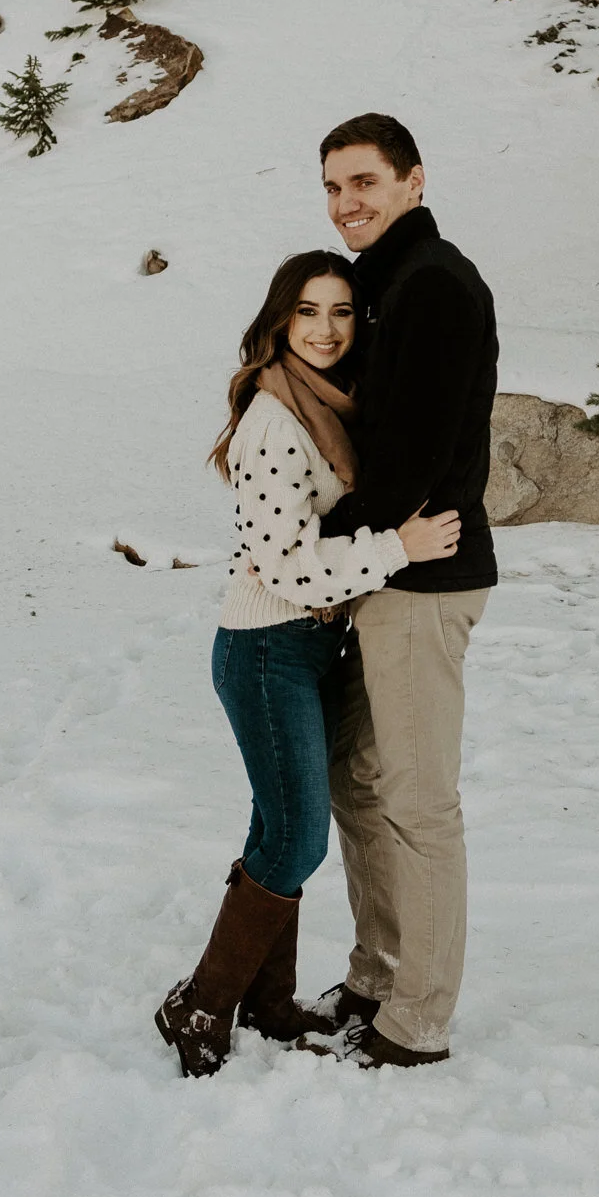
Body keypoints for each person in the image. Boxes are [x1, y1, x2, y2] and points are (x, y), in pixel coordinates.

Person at [155, 251, 463, 1079]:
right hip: (266, 651)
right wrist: (398, 548)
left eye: (340, 313)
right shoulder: (274, 422)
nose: (325, 330)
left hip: (307, 646)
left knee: (275, 825)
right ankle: (201, 1002)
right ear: (279, 322)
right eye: (306, 312)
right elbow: (286, 566)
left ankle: (265, 998)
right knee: (295, 838)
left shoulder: (327, 405)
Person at [309, 114, 499, 1068]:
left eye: (366, 182)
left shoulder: (432, 286)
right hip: (386, 570)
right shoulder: (382, 287)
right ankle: (378, 971)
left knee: (419, 802)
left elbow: (413, 456)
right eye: (334, 187)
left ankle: (416, 1018)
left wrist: (324, 550)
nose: (348, 203)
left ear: (414, 182)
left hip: (424, 577)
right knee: (356, 773)